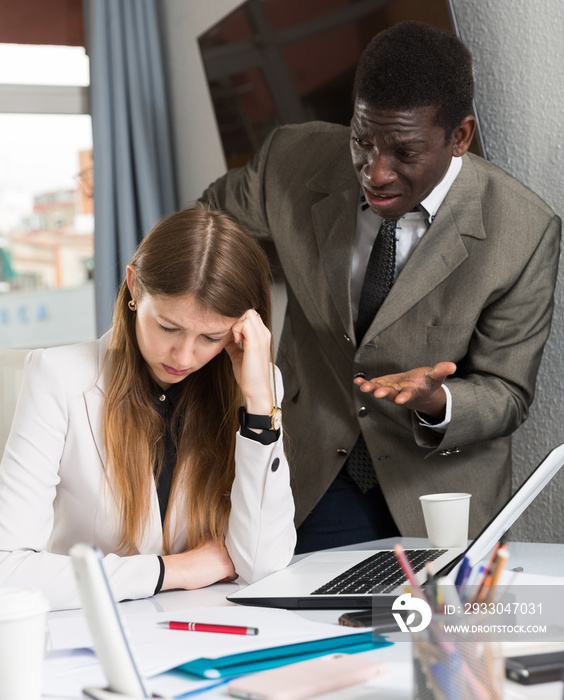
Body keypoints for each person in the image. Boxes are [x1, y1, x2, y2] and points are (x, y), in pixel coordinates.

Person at [200, 21, 561, 553]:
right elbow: (205, 230)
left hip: (440, 491)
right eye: (362, 141)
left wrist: (437, 401)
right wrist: (219, 324)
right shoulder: (291, 159)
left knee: (440, 638)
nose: (376, 172)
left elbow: (507, 393)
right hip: (314, 470)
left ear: (459, 138)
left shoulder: (524, 230)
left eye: (405, 152)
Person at [0, 205, 296, 610]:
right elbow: (7, 571)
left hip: (206, 629)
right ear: (134, 287)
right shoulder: (56, 376)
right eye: (169, 328)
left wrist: (260, 406)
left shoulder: (256, 386)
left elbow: (262, 564)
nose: (184, 355)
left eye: (210, 337)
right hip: (93, 632)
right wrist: (169, 570)